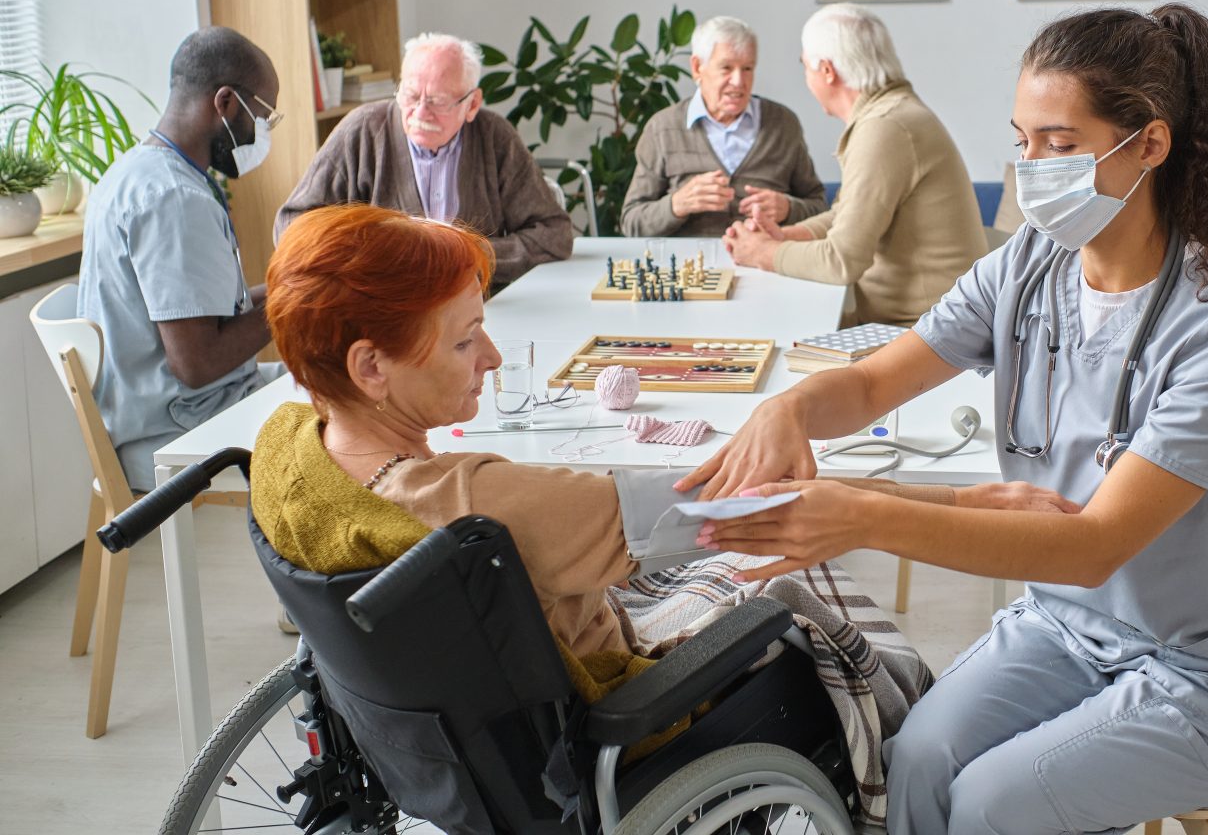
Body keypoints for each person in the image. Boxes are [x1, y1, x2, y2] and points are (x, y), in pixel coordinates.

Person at [680, 4, 1208, 835]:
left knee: (990, 805)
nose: (1032, 167)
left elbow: (1094, 546)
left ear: (1150, 145)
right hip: (1065, 629)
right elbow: (876, 384)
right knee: (911, 760)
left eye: (1060, 144)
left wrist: (863, 517)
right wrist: (791, 407)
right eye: (1023, 142)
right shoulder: (1027, 267)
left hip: (1206, 670)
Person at [252, 203, 935, 824]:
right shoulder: (475, 510)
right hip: (622, 729)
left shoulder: (295, 461)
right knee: (794, 583)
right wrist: (945, 504)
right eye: (465, 341)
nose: (490, 359)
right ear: (371, 368)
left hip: (450, 747)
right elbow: (725, 510)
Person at [78, 26, 281, 492]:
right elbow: (198, 363)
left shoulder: (136, 170)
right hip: (175, 426)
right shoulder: (175, 199)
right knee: (354, 412)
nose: (264, 131)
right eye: (264, 114)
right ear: (226, 103)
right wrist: (300, 297)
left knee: (336, 380)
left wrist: (285, 286)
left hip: (149, 408)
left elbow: (201, 316)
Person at [723, 3, 987, 327]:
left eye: (805, 66)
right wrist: (785, 236)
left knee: (775, 342)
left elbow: (840, 261)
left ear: (827, 71)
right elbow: (847, 215)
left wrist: (762, 253)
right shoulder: (892, 115)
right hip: (916, 324)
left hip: (923, 333)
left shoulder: (886, 127)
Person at [274, 32, 571, 290]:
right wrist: (374, 258)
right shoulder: (362, 131)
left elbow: (553, 234)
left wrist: (469, 256)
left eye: (438, 102)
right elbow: (291, 226)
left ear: (472, 104)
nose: (420, 112)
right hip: (380, 315)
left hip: (479, 314)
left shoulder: (494, 137)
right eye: (411, 95)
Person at [620, 15, 827, 237]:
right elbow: (632, 223)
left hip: (765, 265)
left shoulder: (783, 123)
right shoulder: (663, 128)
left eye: (747, 68)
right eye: (726, 68)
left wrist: (788, 208)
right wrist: (676, 205)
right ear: (698, 67)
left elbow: (820, 208)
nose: (738, 81)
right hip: (690, 268)